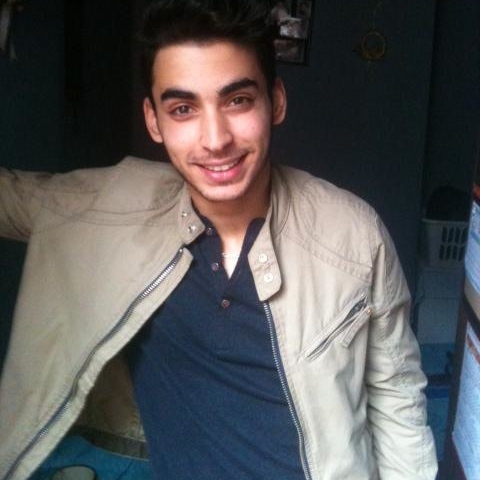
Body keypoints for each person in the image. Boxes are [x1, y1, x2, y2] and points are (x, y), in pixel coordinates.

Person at [0, 0, 438, 479]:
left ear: (276, 101)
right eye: (183, 109)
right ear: (154, 121)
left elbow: (397, 396)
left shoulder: (354, 234)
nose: (215, 139)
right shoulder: (114, 207)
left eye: (237, 100)